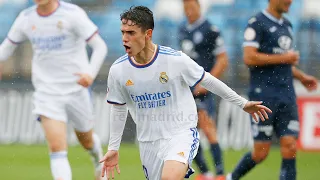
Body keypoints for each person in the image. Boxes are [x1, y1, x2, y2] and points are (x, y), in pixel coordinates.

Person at [99, 6, 272, 180]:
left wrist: (242, 103)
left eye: (131, 33)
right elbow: (118, 107)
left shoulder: (175, 60)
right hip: (148, 141)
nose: (124, 39)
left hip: (180, 133)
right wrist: (113, 148)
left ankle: (216, 172)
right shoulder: (118, 70)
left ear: (148, 34)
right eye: (122, 32)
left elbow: (209, 80)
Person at [0, 0, 108, 180]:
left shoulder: (72, 14)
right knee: (57, 148)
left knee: (86, 140)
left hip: (76, 90)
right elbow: (5, 50)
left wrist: (90, 73)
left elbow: (100, 46)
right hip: (46, 93)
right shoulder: (26, 18)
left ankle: (97, 158)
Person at [226, 0, 318, 180]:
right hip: (264, 95)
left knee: (290, 146)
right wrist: (285, 57)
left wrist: (302, 77)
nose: (290, 2)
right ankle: (231, 178)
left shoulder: (287, 25)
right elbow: (249, 57)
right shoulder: (257, 22)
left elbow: (284, 64)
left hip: (287, 94)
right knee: (261, 153)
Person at [178, 0, 228, 179]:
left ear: (199, 7)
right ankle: (206, 173)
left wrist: (207, 83)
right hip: (187, 90)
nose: (188, 11)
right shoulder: (182, 29)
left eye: (191, 7)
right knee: (189, 131)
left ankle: (220, 173)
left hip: (202, 89)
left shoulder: (211, 30)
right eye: (185, 8)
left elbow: (223, 60)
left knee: (207, 127)